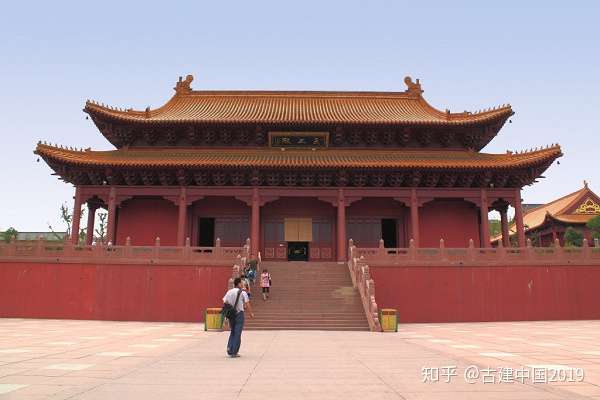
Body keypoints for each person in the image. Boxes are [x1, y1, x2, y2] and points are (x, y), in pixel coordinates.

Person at [223, 277, 254, 358]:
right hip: (239, 314)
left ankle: (230, 349)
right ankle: (234, 352)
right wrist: (251, 314)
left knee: (233, 331)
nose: (243, 284)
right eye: (242, 282)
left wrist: (226, 314)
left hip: (231, 315)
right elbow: (247, 304)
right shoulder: (243, 293)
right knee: (237, 333)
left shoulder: (229, 292)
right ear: (239, 284)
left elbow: (225, 302)